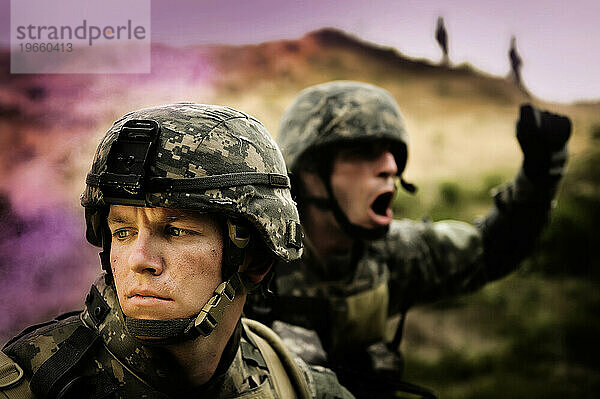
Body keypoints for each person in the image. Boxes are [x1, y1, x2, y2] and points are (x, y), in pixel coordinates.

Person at [0, 103, 354, 399]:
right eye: (123, 232)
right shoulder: (32, 384)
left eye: (175, 231)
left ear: (254, 258)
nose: (139, 260)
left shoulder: (296, 385)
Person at [245, 81, 572, 397]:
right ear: (309, 173)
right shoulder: (252, 263)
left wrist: (541, 175)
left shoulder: (393, 254)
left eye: (391, 154)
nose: (389, 166)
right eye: (362, 152)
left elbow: (491, 249)